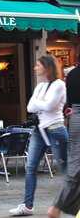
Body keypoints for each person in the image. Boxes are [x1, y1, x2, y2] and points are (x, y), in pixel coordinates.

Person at [10, 55, 68, 216]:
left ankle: (68, 202)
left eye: (38, 65)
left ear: (47, 67)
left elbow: (49, 106)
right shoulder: (40, 86)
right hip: (38, 131)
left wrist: (39, 104)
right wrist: (40, 104)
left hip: (55, 130)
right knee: (30, 167)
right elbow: (30, 107)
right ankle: (27, 206)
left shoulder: (59, 85)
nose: (35, 68)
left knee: (65, 169)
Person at [48, 51, 80, 218]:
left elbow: (68, 101)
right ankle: (57, 206)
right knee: (76, 166)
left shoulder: (72, 75)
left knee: (76, 163)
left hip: (74, 117)